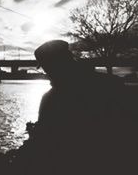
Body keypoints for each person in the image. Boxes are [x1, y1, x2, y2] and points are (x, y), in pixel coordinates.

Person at [24, 40, 134, 175]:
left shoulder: (51, 99)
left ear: (54, 66)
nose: (47, 72)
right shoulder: (111, 84)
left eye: (47, 67)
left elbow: (44, 144)